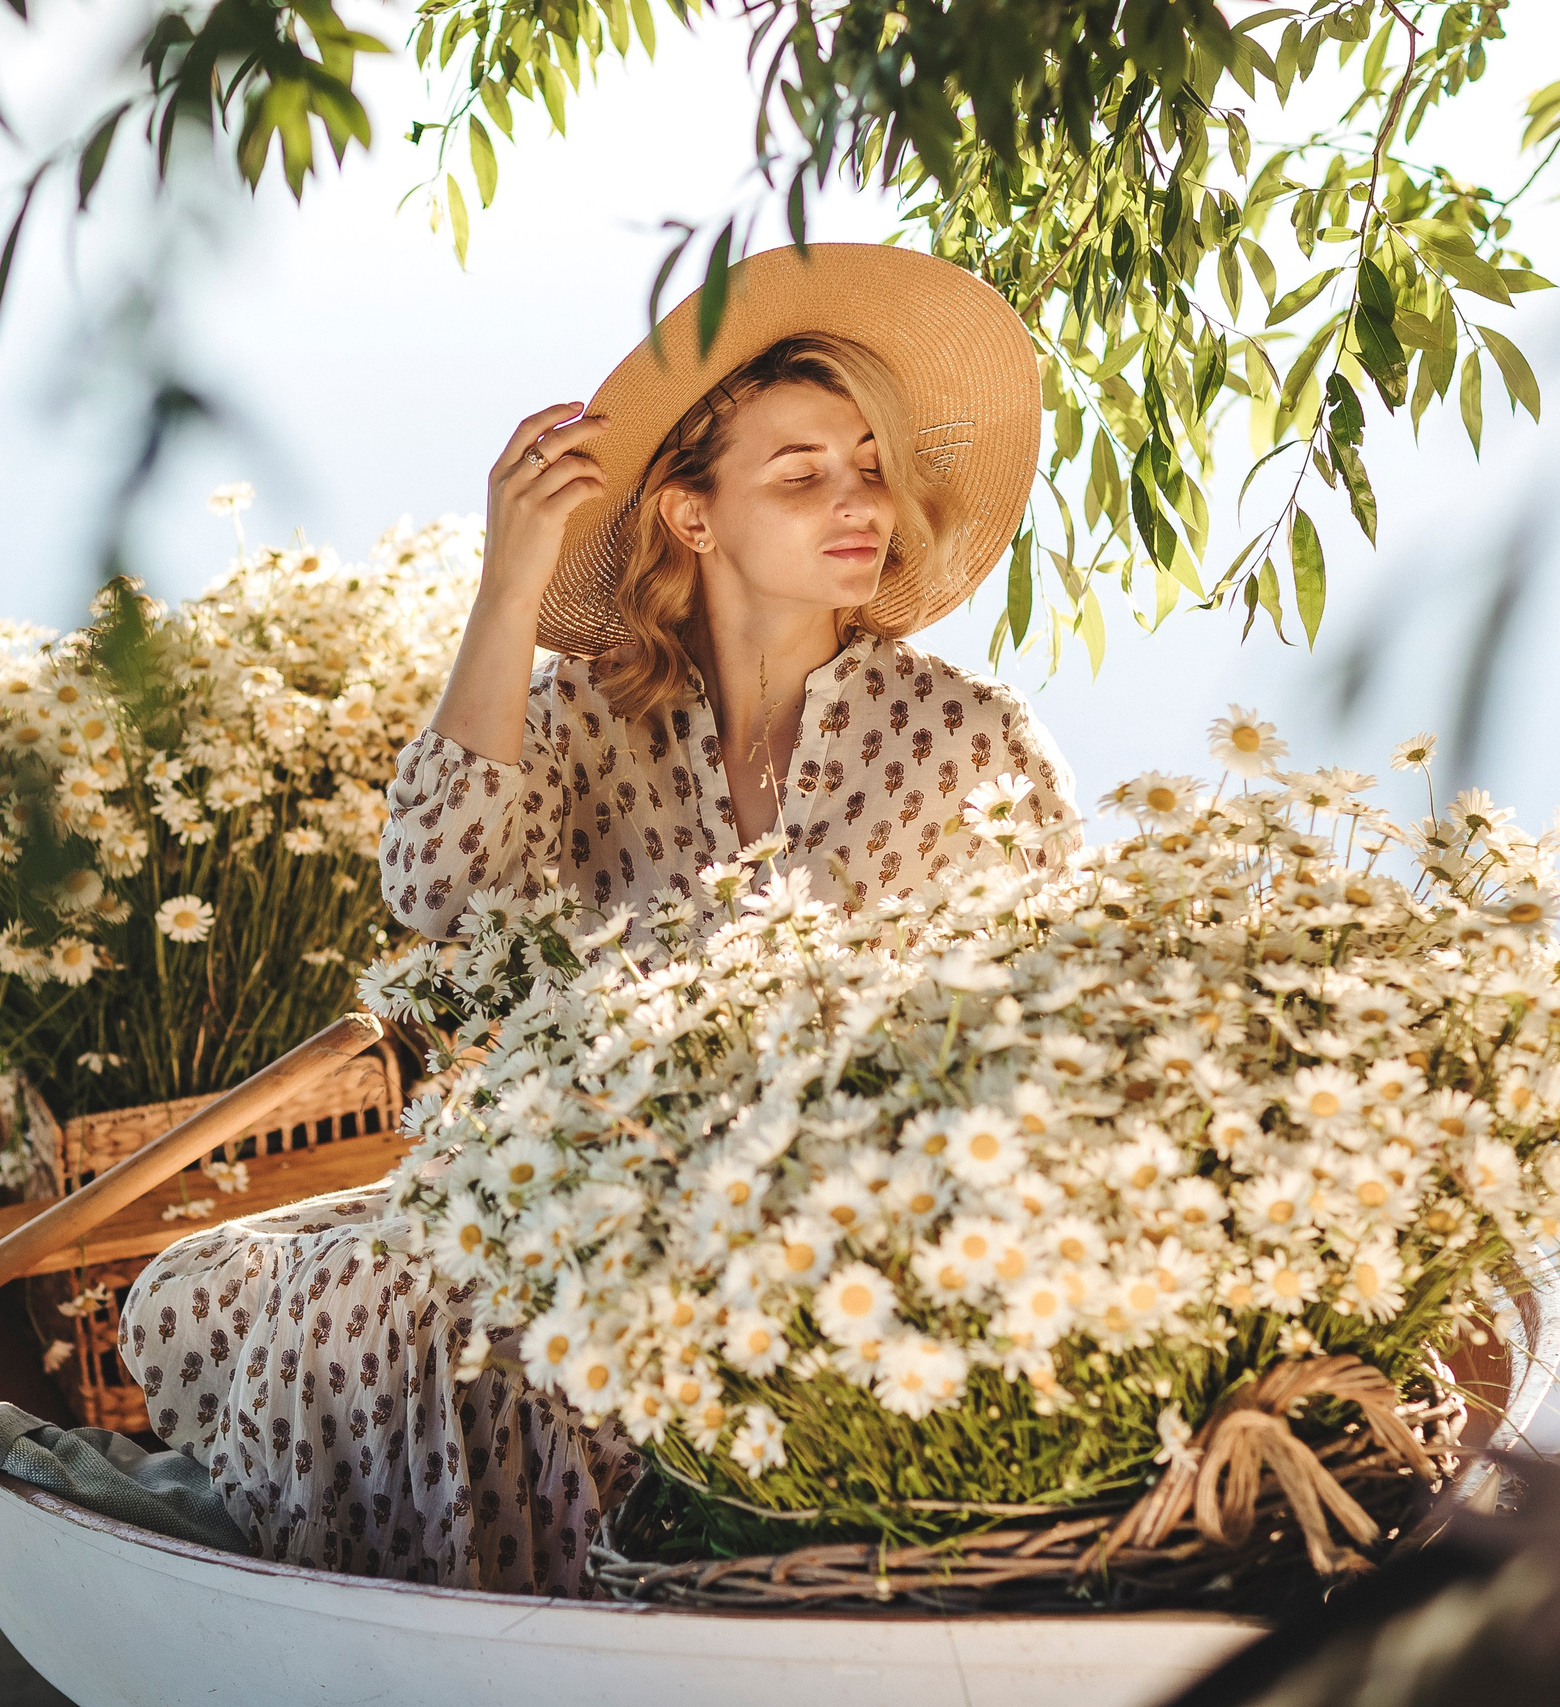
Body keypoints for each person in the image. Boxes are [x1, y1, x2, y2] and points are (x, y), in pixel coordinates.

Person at [121, 244, 1079, 1595]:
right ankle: (434, 1619)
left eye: (869, 467)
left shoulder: (967, 743)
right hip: (585, 1188)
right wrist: (516, 577)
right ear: (693, 517)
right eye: (802, 476)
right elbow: (438, 889)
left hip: (846, 1228)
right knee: (199, 1292)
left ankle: (508, 1608)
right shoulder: (593, 717)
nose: (859, 504)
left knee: (379, 1306)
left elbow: (1035, 1043)